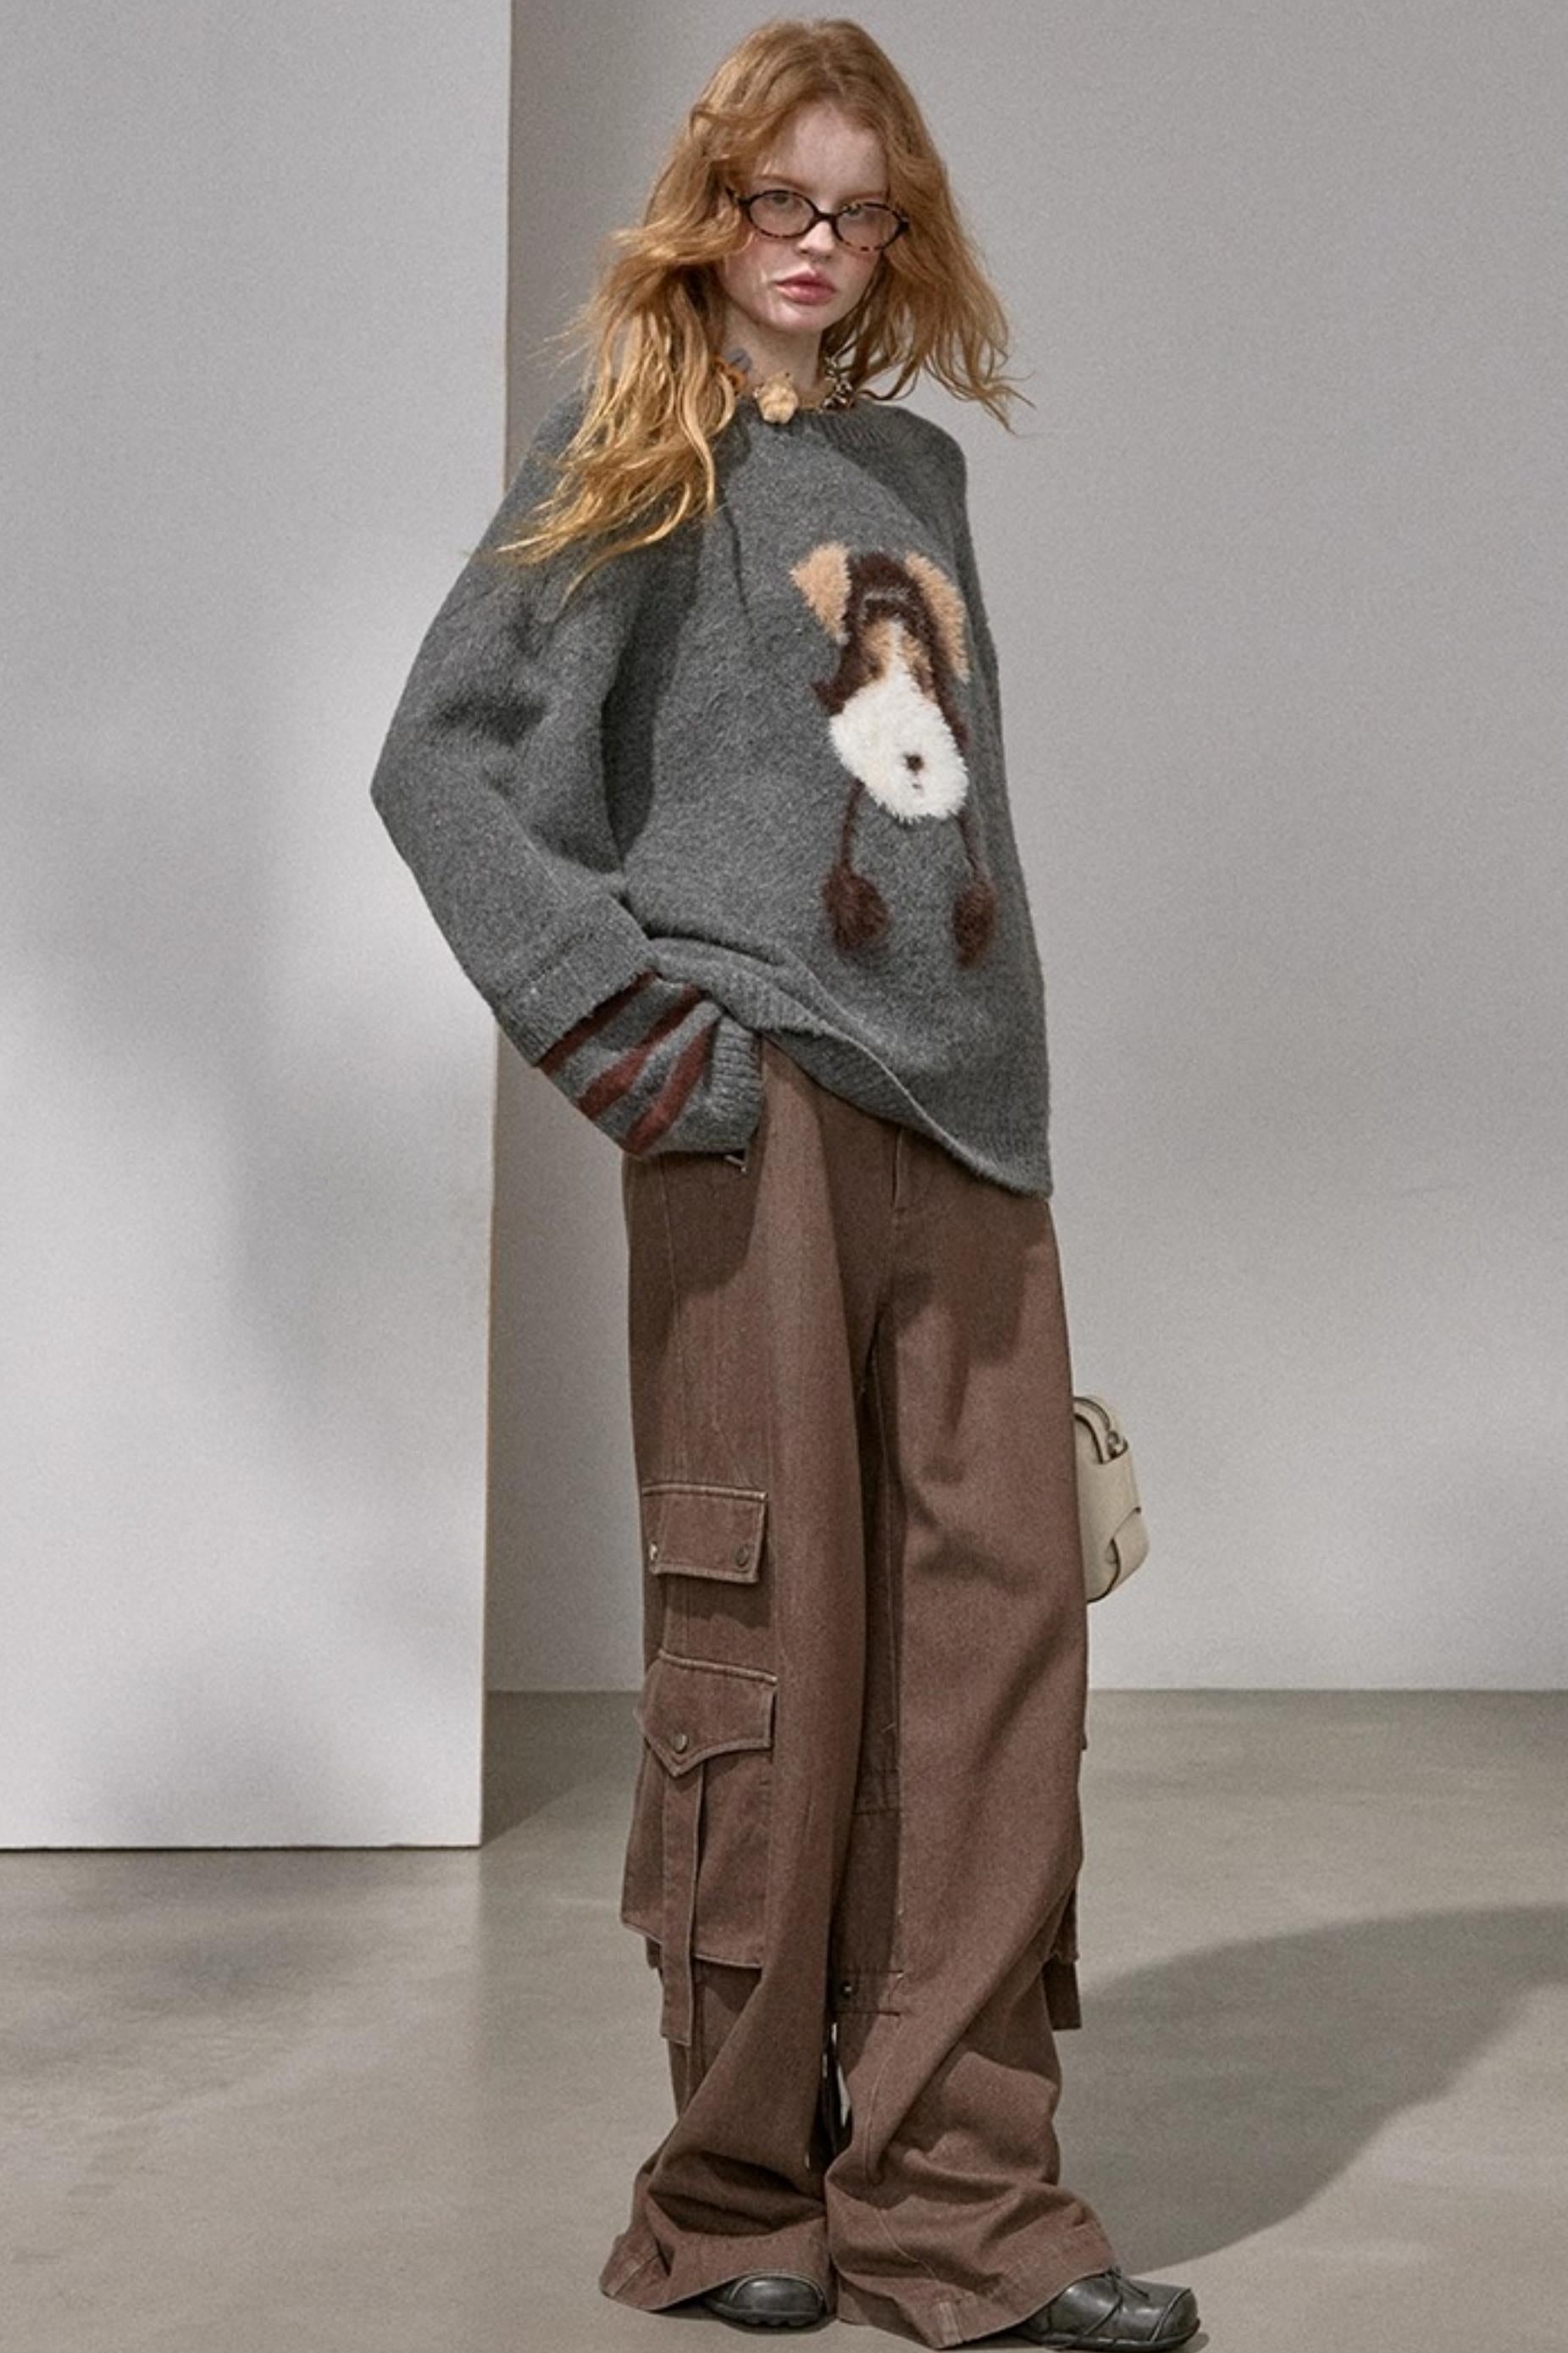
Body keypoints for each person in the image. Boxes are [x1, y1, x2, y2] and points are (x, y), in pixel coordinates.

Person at [368, 18, 1201, 2350]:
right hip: (758, 1126)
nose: (818, 244)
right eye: (781, 203)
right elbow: (443, 763)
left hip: (975, 1127)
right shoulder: (636, 449)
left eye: (861, 210)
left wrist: (1001, 1078)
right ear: (712, 211)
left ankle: (962, 2200)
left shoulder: (914, 472)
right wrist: (641, 1045)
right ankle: (737, 2179)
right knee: (774, 1634)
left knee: (995, 1661)